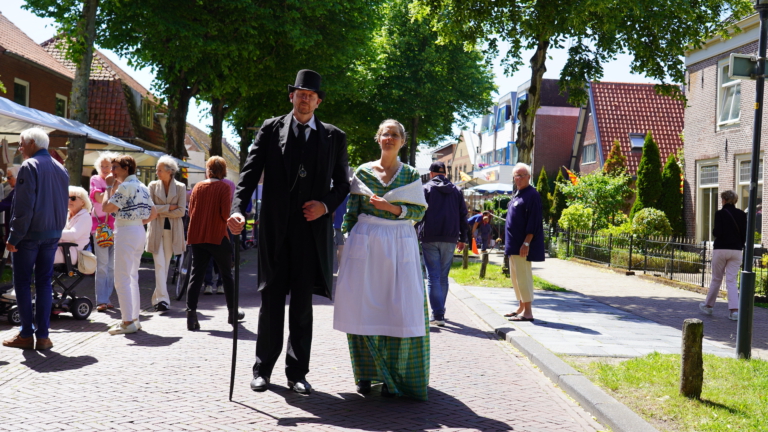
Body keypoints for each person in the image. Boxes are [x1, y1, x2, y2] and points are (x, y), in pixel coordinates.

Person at [228, 69, 350, 395]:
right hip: (274, 231)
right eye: (300, 93)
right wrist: (238, 209)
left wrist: (325, 205)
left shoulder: (334, 137)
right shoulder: (270, 129)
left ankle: (297, 373)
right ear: (291, 96)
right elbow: (249, 174)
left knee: (301, 306)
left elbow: (342, 185)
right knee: (270, 301)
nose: (305, 98)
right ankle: (262, 370)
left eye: (311, 95)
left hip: (311, 234)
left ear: (319, 101)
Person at [334, 119, 429, 400]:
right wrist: (348, 245)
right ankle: (366, 374)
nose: (389, 138)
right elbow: (350, 213)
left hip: (400, 244)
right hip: (366, 244)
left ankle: (393, 376)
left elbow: (419, 213)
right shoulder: (363, 172)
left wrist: (391, 208)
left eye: (395, 135)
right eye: (385, 134)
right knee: (362, 309)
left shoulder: (410, 174)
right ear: (378, 138)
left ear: (402, 141)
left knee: (398, 309)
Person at [2, 128, 68, 351]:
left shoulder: (29, 166)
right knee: (43, 283)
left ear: (31, 143)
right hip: (52, 234)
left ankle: (26, 334)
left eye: (21, 144)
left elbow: (23, 206)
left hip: (29, 235)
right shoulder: (61, 168)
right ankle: (43, 336)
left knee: (22, 282)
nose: (20, 149)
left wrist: (14, 236)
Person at [185, 156, 243, 330]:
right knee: (227, 274)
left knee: (196, 275)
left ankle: (191, 316)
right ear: (223, 171)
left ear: (208, 170)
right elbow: (225, 214)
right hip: (217, 236)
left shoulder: (197, 187)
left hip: (197, 237)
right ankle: (233, 313)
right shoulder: (224, 187)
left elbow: (191, 212)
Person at [102, 155, 157, 335]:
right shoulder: (142, 186)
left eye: (115, 167)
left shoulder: (125, 186)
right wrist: (138, 223)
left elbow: (106, 208)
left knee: (122, 278)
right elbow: (154, 212)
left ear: (126, 168)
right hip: (138, 231)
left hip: (126, 232)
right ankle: (133, 319)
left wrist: (109, 186)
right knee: (132, 276)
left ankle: (127, 322)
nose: (112, 171)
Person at [417, 161, 468, 327]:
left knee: (433, 276)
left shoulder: (426, 189)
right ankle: (440, 312)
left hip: (430, 236)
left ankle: (438, 314)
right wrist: (463, 238)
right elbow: (463, 216)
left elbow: (419, 213)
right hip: (450, 237)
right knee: (443, 276)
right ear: (445, 173)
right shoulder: (457, 190)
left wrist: (415, 233)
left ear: (431, 173)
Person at [504, 163, 545, 322]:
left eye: (522, 175)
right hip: (513, 245)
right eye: (516, 175)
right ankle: (521, 307)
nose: (518, 178)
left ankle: (528, 312)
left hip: (522, 245)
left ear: (529, 177)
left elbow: (533, 221)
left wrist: (526, 243)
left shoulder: (532, 195)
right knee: (515, 278)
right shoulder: (518, 194)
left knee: (523, 276)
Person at [146, 156, 187, 312]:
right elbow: (150, 208)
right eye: (157, 169)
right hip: (156, 230)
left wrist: (160, 209)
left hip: (173, 232)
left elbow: (181, 211)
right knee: (160, 263)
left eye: (160, 170)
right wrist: (170, 207)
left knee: (165, 264)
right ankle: (163, 300)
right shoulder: (152, 186)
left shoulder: (181, 187)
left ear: (170, 171)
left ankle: (158, 299)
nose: (157, 172)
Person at [700, 190, 747, 321]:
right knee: (731, 280)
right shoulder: (742, 214)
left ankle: (708, 306)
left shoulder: (720, 213)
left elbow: (717, 232)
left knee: (716, 278)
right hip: (736, 250)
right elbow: (744, 234)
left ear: (724, 200)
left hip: (721, 249)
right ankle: (734, 311)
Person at [90, 152, 118, 312]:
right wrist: (110, 187)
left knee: (112, 266)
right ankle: (101, 300)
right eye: (103, 166)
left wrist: (109, 190)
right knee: (102, 264)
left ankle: (107, 298)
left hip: (117, 227)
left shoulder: (118, 181)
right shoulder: (95, 179)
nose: (106, 169)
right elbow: (100, 199)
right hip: (100, 227)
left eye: (109, 166)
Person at [332, 194, 349, 275]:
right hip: (350, 225)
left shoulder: (337, 196)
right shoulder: (352, 195)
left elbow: (333, 213)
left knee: (340, 247)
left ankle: (340, 268)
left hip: (338, 224)